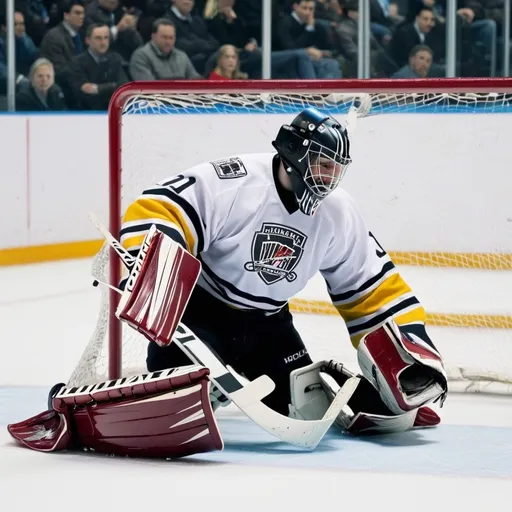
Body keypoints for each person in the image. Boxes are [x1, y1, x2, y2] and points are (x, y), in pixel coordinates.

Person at [118, 107, 447, 420]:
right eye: (323, 164)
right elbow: (160, 207)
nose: (330, 178)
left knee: (309, 410)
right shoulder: (234, 181)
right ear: (294, 151)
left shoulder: (339, 212)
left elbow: (371, 287)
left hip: (268, 327)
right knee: (177, 402)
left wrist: (410, 345)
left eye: (336, 168)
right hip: (202, 314)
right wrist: (151, 273)